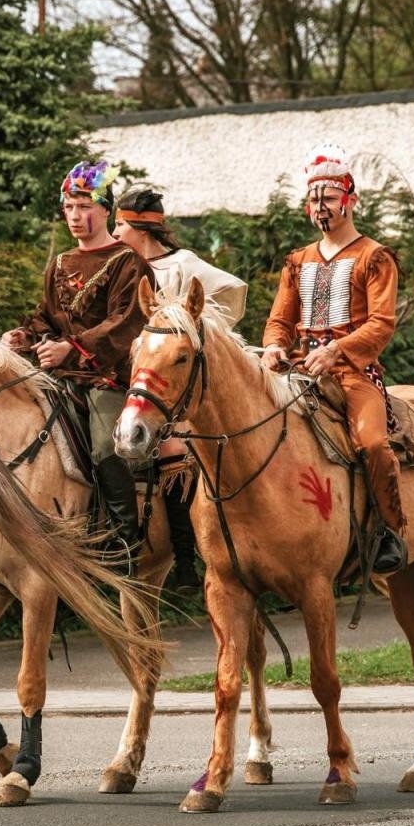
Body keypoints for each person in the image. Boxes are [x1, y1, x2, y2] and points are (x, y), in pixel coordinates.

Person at [259, 143, 407, 574]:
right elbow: (279, 320)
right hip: (301, 370)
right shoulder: (297, 260)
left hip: (354, 372)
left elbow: (381, 324)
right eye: (313, 199)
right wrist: (272, 346)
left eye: (328, 197)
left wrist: (337, 349)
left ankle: (388, 531)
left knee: (374, 444)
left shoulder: (374, 257)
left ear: (350, 200)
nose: (320, 206)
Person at [1, 161, 153, 563]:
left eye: (84, 206)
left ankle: (124, 538)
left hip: (108, 377)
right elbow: (46, 317)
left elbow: (127, 322)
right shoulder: (60, 263)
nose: (74, 216)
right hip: (58, 374)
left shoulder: (129, 263)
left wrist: (72, 348)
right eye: (68, 207)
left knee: (107, 444)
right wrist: (24, 336)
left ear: (105, 210)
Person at [114, 187, 248, 591]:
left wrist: (197, 322)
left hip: (173, 380)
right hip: (132, 373)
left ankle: (186, 558)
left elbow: (231, 291)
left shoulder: (181, 265)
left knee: (173, 450)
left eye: (119, 224)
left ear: (139, 228)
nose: (115, 231)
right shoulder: (119, 265)